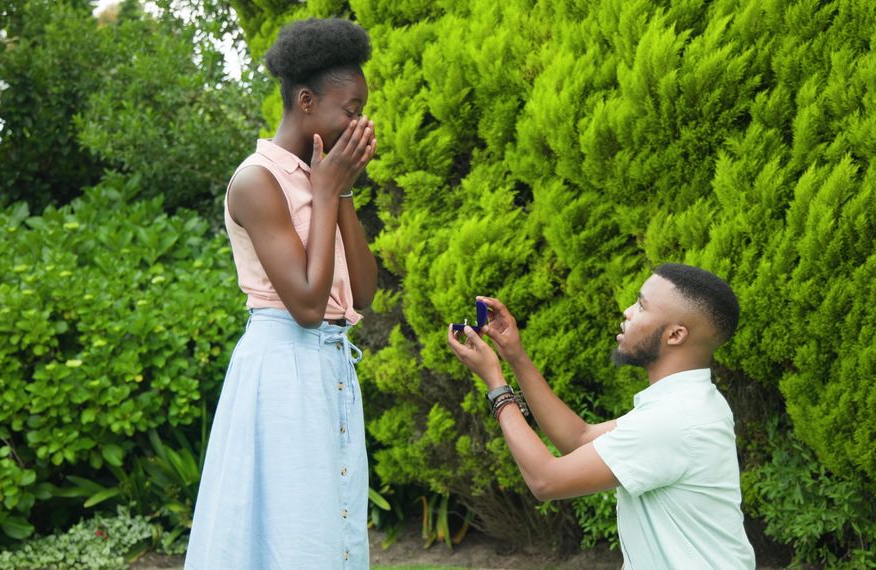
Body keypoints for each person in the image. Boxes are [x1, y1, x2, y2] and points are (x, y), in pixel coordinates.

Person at [185, 18, 378, 569]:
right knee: (291, 533)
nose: (359, 122)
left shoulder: (323, 178)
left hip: (331, 370)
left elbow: (362, 295)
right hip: (282, 369)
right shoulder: (257, 181)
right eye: (351, 107)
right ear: (308, 101)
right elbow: (308, 307)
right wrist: (324, 191)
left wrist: (338, 196)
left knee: (329, 524)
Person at [446, 263, 756, 569]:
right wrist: (515, 355)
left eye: (642, 306)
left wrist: (496, 385)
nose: (627, 311)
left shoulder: (675, 420)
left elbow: (545, 481)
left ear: (675, 335)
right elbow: (578, 438)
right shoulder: (687, 403)